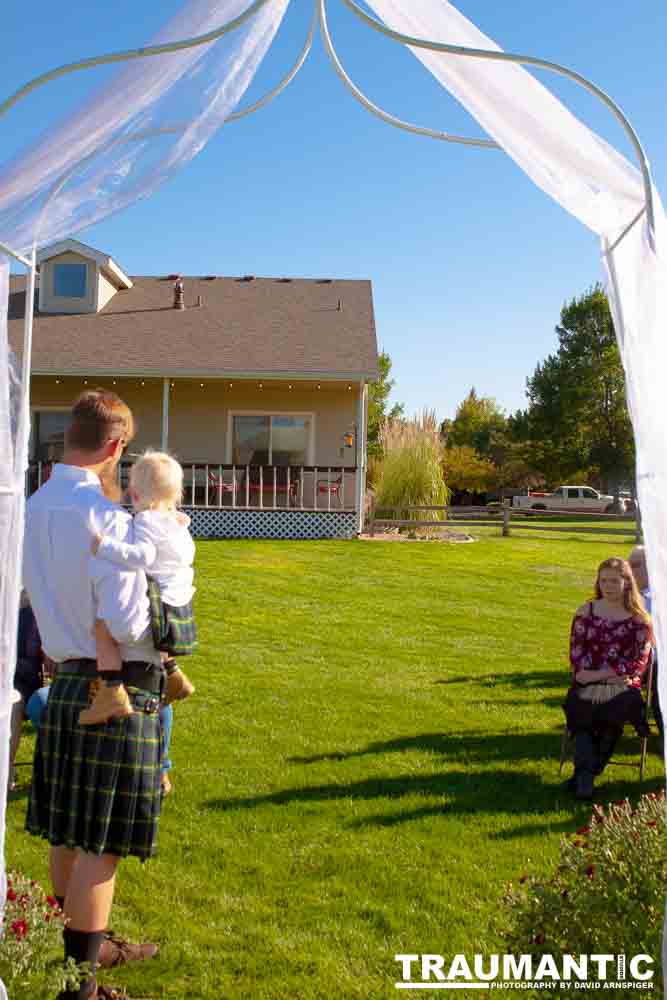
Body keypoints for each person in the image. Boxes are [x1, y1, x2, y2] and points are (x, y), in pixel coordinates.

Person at [23, 389, 161, 1000]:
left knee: (67, 834)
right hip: (111, 686)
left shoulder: (29, 505)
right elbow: (128, 622)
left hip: (62, 678)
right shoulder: (106, 516)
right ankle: (80, 989)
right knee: (99, 845)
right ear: (115, 446)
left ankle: (81, 954)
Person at [82, 450, 196, 726]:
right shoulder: (178, 522)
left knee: (102, 629)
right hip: (179, 603)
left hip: (159, 603)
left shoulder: (147, 520)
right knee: (154, 641)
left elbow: (143, 555)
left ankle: (110, 689)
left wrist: (104, 546)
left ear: (134, 494)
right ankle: (175, 677)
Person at [564, 556, 653, 801]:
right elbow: (577, 656)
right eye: (604, 581)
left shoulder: (639, 620)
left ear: (627, 582)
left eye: (614, 581)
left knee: (617, 708)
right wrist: (599, 675)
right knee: (580, 706)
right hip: (589, 681)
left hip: (622, 685)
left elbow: (638, 663)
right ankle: (587, 776)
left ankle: (585, 774)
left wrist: (606, 675)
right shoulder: (585, 612)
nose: (608, 586)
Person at [628, 544, 663, 738]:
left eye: (636, 565)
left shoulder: (659, 598)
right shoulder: (623, 598)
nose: (630, 571)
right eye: (628, 565)